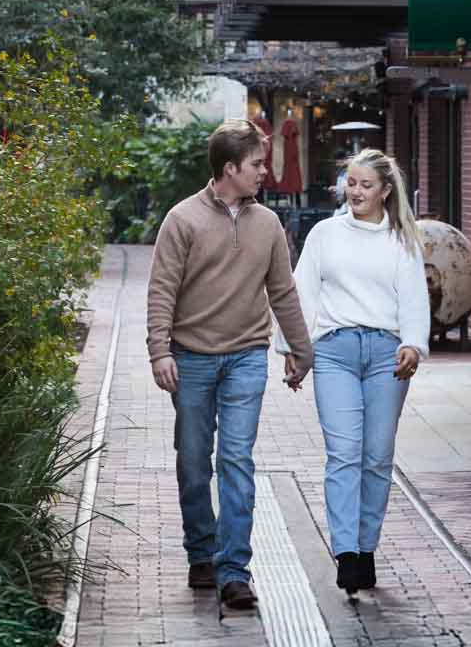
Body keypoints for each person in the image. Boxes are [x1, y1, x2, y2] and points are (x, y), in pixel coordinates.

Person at [147, 120, 314, 613]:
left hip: (246, 356)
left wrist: (301, 351)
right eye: (258, 164)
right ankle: (201, 551)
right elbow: (162, 291)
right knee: (194, 461)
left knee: (237, 460)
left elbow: (282, 291)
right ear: (229, 168)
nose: (266, 172)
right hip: (191, 357)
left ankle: (233, 570)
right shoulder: (182, 220)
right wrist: (160, 350)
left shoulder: (267, 225)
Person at [280, 147, 430, 596]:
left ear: (385, 190)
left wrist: (413, 345)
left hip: (387, 355)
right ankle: (346, 552)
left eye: (366, 185)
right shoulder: (325, 234)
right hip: (335, 354)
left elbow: (414, 299)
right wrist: (292, 348)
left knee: (377, 457)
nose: (356, 191)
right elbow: (301, 292)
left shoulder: (402, 240)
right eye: (351, 182)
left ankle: (367, 549)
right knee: (344, 453)